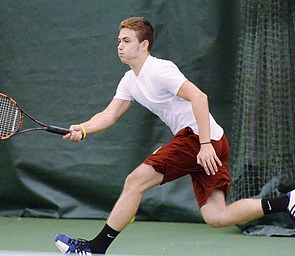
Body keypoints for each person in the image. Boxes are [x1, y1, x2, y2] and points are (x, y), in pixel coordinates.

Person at [55, 17, 295, 255]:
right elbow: (109, 115)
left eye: (127, 40)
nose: (120, 46)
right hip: (214, 140)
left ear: (144, 45)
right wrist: (83, 128)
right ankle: (287, 201)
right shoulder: (129, 81)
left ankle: (96, 248)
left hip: (198, 139)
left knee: (135, 181)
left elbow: (199, 97)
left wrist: (204, 144)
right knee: (216, 216)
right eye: (119, 40)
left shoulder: (160, 70)